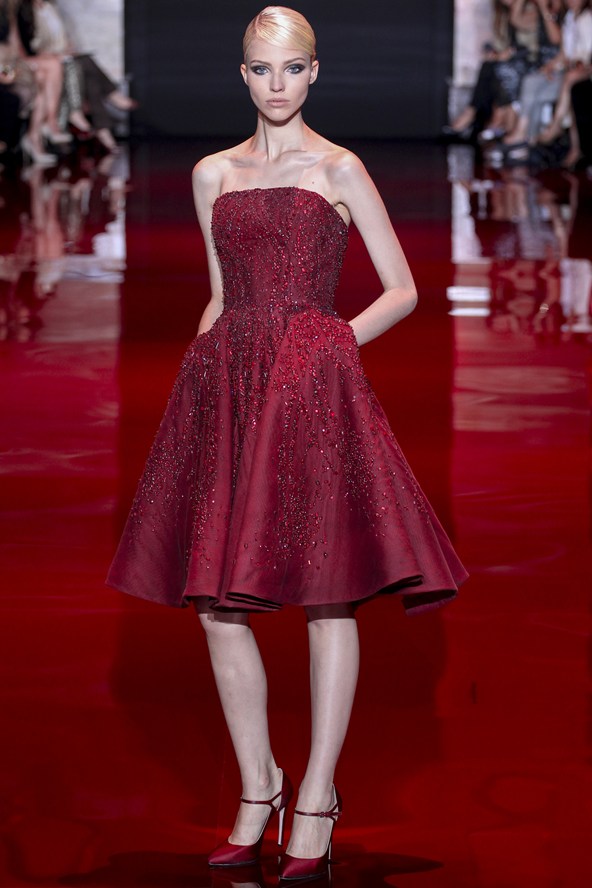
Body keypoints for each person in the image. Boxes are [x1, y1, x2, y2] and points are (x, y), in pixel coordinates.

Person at [106, 6, 468, 881]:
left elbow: (402, 288)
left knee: (327, 594)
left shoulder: (338, 167)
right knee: (215, 601)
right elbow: (221, 293)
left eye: (292, 68)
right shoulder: (212, 174)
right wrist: (197, 378)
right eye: (262, 69)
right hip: (227, 388)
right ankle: (257, 786)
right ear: (242, 74)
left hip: (310, 393)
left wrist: (328, 345)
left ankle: (317, 797)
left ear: (314, 72)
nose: (277, 84)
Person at [503, 0, 592, 160]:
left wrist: (545, 9)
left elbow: (569, 48)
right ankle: (526, 137)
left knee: (552, 83)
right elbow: (565, 54)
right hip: (563, 71)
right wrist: (551, 67)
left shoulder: (583, 18)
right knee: (532, 81)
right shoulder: (569, 17)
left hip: (575, 73)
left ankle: (553, 127)